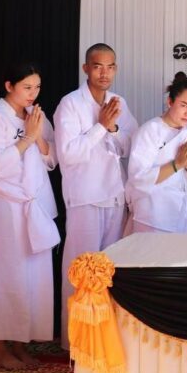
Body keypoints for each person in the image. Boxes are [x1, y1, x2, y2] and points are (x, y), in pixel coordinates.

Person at [0, 63, 59, 369]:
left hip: (35, 205)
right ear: (9, 85)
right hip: (6, 206)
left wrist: (37, 135)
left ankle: (22, 343)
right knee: (4, 273)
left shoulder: (35, 115)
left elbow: (51, 158)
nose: (33, 93)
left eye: (37, 87)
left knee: (33, 278)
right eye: (26, 87)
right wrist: (26, 138)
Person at [54, 43, 137, 350]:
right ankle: (75, 342)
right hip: (85, 197)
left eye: (110, 66)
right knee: (81, 269)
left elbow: (131, 146)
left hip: (114, 195)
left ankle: (103, 340)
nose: (105, 73)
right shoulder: (70, 104)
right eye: (98, 66)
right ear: (86, 68)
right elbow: (69, 154)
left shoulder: (119, 102)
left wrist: (112, 128)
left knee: (109, 271)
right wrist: (101, 127)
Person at [126, 72, 187, 233]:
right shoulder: (149, 131)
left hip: (186, 209)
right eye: (184, 105)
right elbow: (138, 178)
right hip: (154, 211)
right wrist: (176, 164)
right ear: (170, 102)